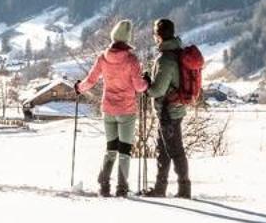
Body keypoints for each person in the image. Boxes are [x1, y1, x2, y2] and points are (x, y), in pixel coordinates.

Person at [77, 19, 147, 197]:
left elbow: (91, 81)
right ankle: (122, 188)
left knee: (111, 148)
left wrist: (79, 87)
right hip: (127, 111)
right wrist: (147, 82)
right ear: (127, 39)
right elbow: (139, 87)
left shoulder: (102, 57)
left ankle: (104, 184)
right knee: (124, 151)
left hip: (108, 109)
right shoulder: (131, 60)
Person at [145, 17, 191, 198]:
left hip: (168, 112)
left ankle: (184, 189)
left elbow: (157, 90)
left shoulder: (166, 60)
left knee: (174, 150)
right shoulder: (176, 53)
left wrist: (147, 85)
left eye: (155, 33)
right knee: (164, 150)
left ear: (159, 35)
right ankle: (160, 188)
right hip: (172, 110)